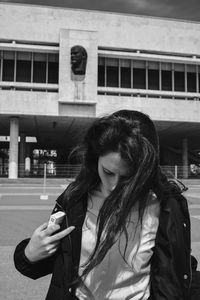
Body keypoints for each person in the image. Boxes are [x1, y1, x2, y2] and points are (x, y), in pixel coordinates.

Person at [14, 110, 191, 300]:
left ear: (144, 172)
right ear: (95, 158)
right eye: (107, 172)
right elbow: (61, 261)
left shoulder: (165, 205)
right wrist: (30, 253)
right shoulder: (76, 198)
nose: (114, 186)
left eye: (126, 178)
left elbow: (175, 271)